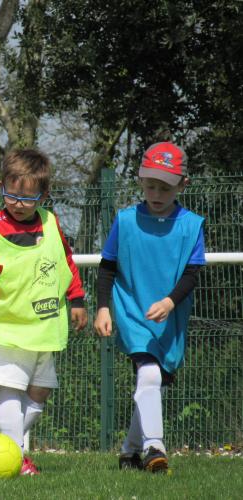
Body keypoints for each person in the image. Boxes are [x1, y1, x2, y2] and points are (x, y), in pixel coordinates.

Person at [0, 148, 87, 475]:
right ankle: (15, 458)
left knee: (40, 391)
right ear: (2, 185)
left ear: (43, 195)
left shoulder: (51, 224)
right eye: (10, 194)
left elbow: (66, 264)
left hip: (42, 328)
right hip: (6, 329)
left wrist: (78, 300)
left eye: (26, 197)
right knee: (11, 391)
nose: (16, 202)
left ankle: (7, 442)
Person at [94, 142, 205, 473]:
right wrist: (103, 308)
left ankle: (129, 451)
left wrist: (170, 302)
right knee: (149, 371)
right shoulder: (125, 221)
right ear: (140, 181)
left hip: (169, 317)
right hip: (133, 312)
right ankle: (154, 446)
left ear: (183, 184)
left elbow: (191, 274)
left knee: (151, 381)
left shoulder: (192, 225)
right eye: (150, 185)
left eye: (165, 187)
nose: (156, 193)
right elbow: (107, 267)